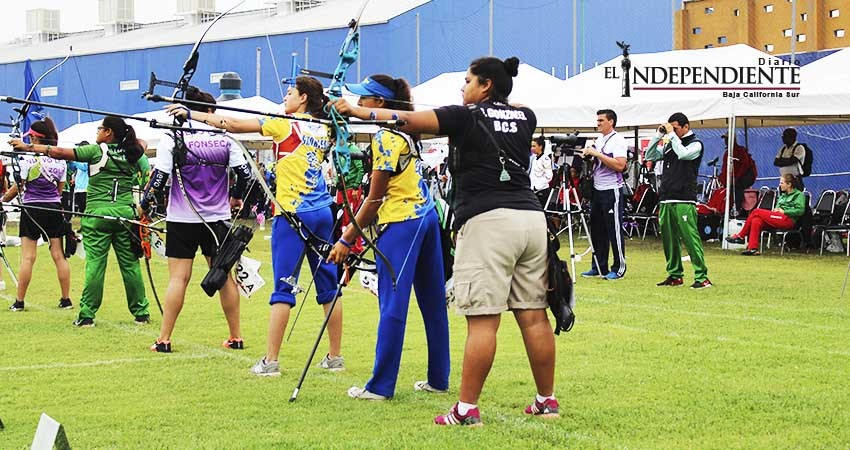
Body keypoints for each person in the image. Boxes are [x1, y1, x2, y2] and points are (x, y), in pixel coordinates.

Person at [331, 56, 558, 425]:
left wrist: (358, 111)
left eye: (468, 81)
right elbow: (510, 108)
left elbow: (406, 119)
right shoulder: (526, 116)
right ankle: (546, 400)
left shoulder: (464, 116)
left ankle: (466, 409)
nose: (462, 87)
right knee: (533, 317)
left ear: (485, 85)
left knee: (483, 320)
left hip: (489, 222)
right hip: (532, 220)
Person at [167, 76, 343, 376]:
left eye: (289, 93)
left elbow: (231, 125)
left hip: (293, 216)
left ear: (302, 98)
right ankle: (335, 357)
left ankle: (271, 361)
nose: (284, 98)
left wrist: (190, 113)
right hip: (322, 212)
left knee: (283, 287)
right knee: (328, 285)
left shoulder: (284, 123)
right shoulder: (326, 128)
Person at [326, 74, 450, 401]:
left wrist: (345, 239)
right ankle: (439, 378)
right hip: (425, 220)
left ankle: (380, 387)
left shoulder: (384, 137)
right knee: (433, 303)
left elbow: (374, 199)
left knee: (392, 304)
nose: (359, 103)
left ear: (379, 104)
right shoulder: (406, 129)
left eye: (364, 99)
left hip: (401, 225)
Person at [10, 116, 151, 326]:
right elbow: (147, 164)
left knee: (95, 266)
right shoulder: (134, 153)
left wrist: (27, 147)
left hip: (97, 217)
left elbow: (59, 152)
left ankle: (87, 316)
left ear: (108, 133)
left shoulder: (96, 151)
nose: (97, 132)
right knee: (130, 266)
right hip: (125, 215)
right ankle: (141, 313)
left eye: (100, 128)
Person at [143, 89, 251, 353]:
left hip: (181, 218)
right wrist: (236, 198)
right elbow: (245, 175)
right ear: (209, 112)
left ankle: (164, 340)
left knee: (178, 278)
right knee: (223, 275)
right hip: (217, 219)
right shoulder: (224, 138)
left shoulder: (173, 136)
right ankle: (235, 337)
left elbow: (159, 179)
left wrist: (145, 204)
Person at [4, 117, 72, 311]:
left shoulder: (27, 159)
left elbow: (18, 187)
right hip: (53, 209)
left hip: (32, 209)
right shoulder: (60, 160)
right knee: (59, 255)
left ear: (34, 138)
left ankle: (19, 301)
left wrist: (3, 201)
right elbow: (60, 190)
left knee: (28, 257)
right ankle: (66, 299)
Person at [644, 112, 712, 289]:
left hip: (684, 198)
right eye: (670, 128)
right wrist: (659, 135)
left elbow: (683, 154)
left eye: (675, 128)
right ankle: (675, 275)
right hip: (666, 197)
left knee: (690, 237)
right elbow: (649, 155)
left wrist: (671, 135)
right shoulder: (669, 144)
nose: (671, 131)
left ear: (686, 127)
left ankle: (702, 277)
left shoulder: (696, 144)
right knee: (669, 239)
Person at [579, 109, 627, 280]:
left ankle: (619, 267)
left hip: (611, 189)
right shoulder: (600, 139)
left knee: (613, 229)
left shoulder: (618, 140)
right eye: (597, 120)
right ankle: (599, 266)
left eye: (601, 120)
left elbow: (620, 165)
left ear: (611, 122)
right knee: (597, 230)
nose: (598, 123)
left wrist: (598, 154)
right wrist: (589, 155)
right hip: (597, 189)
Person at [724, 174, 805, 255]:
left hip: (788, 220)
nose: (780, 185)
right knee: (756, 220)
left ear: (789, 184)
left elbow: (800, 210)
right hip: (777, 218)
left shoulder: (799, 195)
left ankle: (741, 236)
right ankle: (753, 248)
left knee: (756, 211)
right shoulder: (782, 196)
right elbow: (777, 209)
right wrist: (776, 211)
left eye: (782, 183)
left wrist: (784, 212)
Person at [718, 133, 757, 216]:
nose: (725, 141)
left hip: (746, 176)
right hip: (735, 177)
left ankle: (738, 209)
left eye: (727, 139)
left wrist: (736, 178)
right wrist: (723, 178)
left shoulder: (740, 151)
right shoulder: (727, 153)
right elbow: (725, 168)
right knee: (729, 188)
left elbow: (745, 166)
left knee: (736, 187)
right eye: (725, 139)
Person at [529, 135, 553, 208]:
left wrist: (537, 187)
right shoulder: (534, 158)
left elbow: (549, 176)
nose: (532, 148)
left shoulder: (545, 159)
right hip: (533, 190)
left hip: (542, 191)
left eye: (534, 146)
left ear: (540, 146)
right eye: (531, 146)